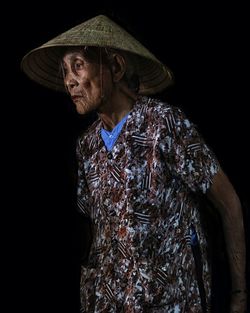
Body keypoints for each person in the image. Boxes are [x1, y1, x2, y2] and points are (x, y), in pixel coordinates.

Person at [21, 14, 247, 313]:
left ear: (115, 67)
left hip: (171, 299)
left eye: (78, 65)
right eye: (64, 71)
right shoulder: (87, 146)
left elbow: (228, 202)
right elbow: (96, 234)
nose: (69, 81)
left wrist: (239, 293)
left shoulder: (164, 125)